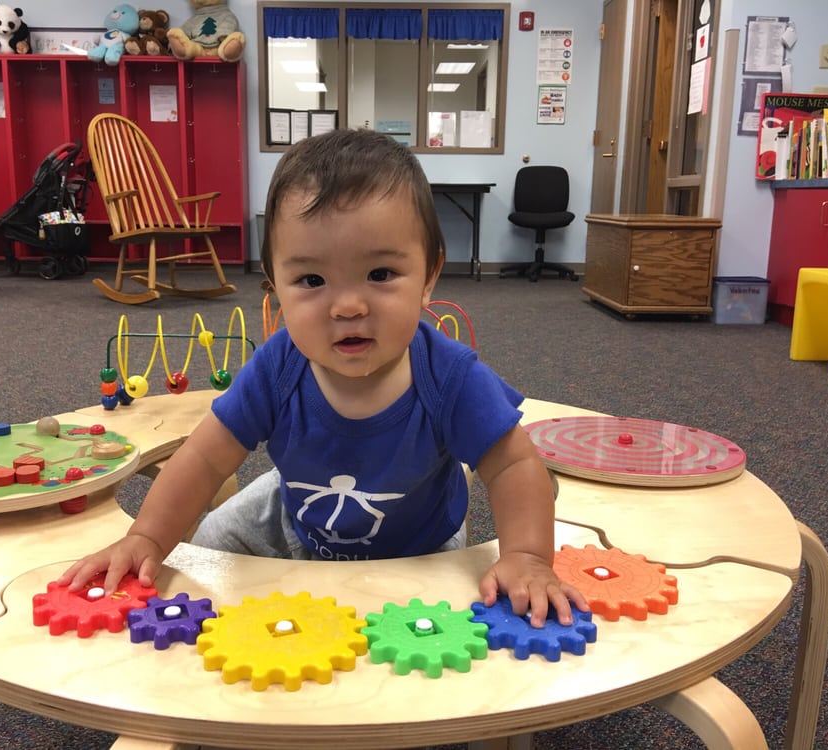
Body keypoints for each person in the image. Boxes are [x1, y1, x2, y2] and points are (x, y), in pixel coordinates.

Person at [60, 128, 588, 626]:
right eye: (311, 280)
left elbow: (515, 464)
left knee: (445, 620)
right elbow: (202, 457)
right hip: (294, 517)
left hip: (421, 542)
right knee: (212, 538)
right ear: (276, 289)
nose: (348, 305)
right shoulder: (277, 365)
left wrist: (526, 556)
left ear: (429, 277)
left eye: (381, 275)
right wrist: (147, 539)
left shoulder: (449, 376)